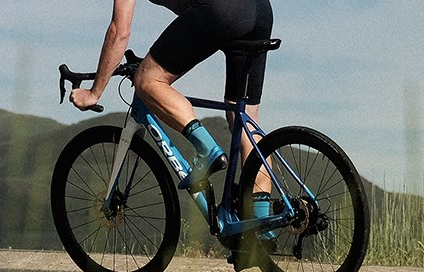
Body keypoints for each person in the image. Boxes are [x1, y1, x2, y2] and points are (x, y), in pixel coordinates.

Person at [70, 0, 273, 193]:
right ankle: (262, 220)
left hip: (222, 9)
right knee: (245, 121)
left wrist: (94, 93)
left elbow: (119, 33)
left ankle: (206, 151)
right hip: (259, 10)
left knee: (146, 80)